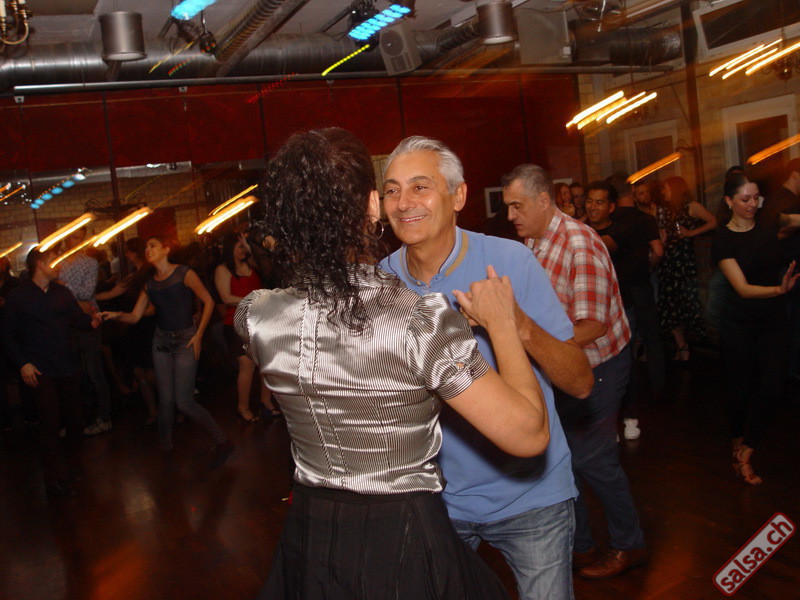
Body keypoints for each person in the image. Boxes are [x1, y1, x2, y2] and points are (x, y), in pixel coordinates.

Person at [237, 128, 551, 600]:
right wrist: (504, 326)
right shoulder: (419, 322)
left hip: (311, 531)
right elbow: (528, 435)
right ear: (371, 206)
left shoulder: (256, 316)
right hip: (401, 535)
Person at [380, 136, 593, 600]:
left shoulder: (509, 260)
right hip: (436, 502)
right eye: (392, 190)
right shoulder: (382, 283)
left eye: (420, 186)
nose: (404, 202)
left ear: (458, 196)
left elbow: (580, 382)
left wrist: (516, 323)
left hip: (531, 495)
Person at [503, 164, 647, 580]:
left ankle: (630, 544)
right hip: (562, 365)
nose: (511, 215)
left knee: (593, 458)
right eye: (509, 206)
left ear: (543, 201)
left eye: (517, 206)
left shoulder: (579, 244)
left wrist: (531, 343)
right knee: (562, 458)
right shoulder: (534, 240)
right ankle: (580, 545)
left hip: (599, 363)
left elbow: (593, 326)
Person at [100, 236, 233, 465]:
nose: (148, 249)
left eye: (152, 245)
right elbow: (135, 316)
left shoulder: (183, 273)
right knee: (165, 400)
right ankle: (166, 450)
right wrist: (116, 315)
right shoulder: (150, 284)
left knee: (184, 402)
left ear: (166, 249)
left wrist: (199, 335)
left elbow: (209, 302)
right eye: (146, 247)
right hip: (161, 342)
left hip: (186, 341)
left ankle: (223, 441)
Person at [712, 173, 800, 485]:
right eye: (745, 199)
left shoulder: (769, 222)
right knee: (739, 390)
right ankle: (736, 443)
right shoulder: (723, 239)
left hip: (773, 320)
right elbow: (743, 288)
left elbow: (794, 221)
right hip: (740, 322)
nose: (753, 204)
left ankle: (747, 450)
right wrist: (779, 290)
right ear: (729, 201)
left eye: (756, 197)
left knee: (774, 387)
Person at [2, 248, 100, 497]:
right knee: (50, 422)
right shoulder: (18, 296)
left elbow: (77, 318)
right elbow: (7, 335)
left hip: (68, 365)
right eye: (53, 261)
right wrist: (22, 363)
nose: (58, 266)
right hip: (39, 369)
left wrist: (92, 320)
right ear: (39, 264)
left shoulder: (61, 292)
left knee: (76, 420)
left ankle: (73, 467)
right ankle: (54, 478)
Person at [607, 174, 667, 438]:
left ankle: (627, 399)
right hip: (642, 285)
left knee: (624, 345)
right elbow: (659, 251)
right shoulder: (645, 218)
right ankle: (658, 388)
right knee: (652, 337)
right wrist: (648, 265)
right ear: (631, 192)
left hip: (620, 289)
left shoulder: (610, 221)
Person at [213, 232, 279, 423]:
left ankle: (265, 402)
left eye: (245, 246)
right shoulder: (223, 269)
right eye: (240, 246)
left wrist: (254, 250)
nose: (243, 250)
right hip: (236, 322)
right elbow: (226, 298)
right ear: (230, 248)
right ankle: (242, 407)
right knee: (246, 365)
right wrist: (254, 300)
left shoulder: (252, 264)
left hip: (260, 320)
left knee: (266, 364)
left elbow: (270, 271)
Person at [58, 227, 113, 434]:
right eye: (74, 237)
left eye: (81, 238)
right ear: (66, 238)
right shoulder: (56, 263)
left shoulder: (90, 263)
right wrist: (70, 297)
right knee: (73, 375)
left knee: (94, 372)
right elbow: (51, 292)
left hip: (88, 323)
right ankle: (78, 420)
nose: (77, 241)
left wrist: (62, 286)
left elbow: (87, 293)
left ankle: (104, 417)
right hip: (66, 324)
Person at [657, 176, 717, 362]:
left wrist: (691, 233)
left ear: (675, 189)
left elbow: (713, 221)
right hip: (669, 263)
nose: (664, 192)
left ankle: (697, 343)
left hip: (684, 263)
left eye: (666, 188)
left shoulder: (692, 206)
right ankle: (681, 345)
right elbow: (664, 234)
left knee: (688, 303)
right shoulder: (667, 210)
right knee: (669, 305)